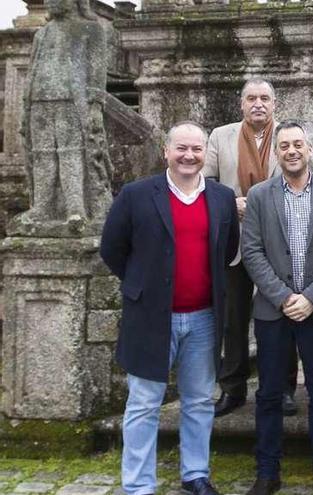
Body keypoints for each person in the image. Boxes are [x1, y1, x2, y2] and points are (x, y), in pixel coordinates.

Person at [100, 121, 239, 495]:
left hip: (204, 319)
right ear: (167, 151)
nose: (189, 156)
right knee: (144, 403)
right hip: (150, 318)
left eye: (196, 149)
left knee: (198, 401)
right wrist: (140, 286)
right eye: (182, 148)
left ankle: (195, 474)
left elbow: (226, 251)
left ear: (205, 153)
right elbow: (112, 249)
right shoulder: (136, 194)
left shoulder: (222, 198)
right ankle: (139, 484)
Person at [240, 121, 313, 495]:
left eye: (297, 144)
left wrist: (311, 297)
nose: (291, 150)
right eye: (284, 145)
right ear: (276, 152)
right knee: (270, 393)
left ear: (309, 149)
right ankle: (267, 472)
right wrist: (284, 297)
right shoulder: (259, 195)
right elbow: (252, 251)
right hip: (274, 311)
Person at [203, 78, 299, 418]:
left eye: (264, 98)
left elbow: (300, 178)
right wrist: (232, 204)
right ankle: (232, 388)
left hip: (279, 240)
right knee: (233, 318)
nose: (258, 104)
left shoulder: (289, 136)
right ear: (241, 104)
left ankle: (284, 388)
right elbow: (207, 185)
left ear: (274, 104)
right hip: (235, 241)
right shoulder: (220, 136)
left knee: (281, 316)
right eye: (251, 98)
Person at [18, 0, 112, 226]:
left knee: (72, 153)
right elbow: (32, 70)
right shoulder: (42, 34)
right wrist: (25, 103)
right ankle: (42, 206)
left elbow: (97, 71)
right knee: (42, 154)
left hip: (72, 102)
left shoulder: (91, 29)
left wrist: (95, 104)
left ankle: (75, 206)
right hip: (39, 100)